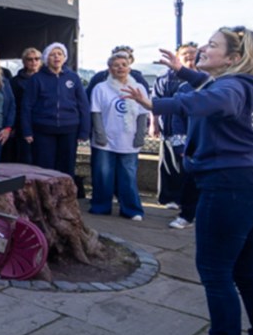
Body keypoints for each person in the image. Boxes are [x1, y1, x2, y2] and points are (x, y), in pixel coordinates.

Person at [123, 26, 253, 335]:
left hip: (230, 186)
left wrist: (156, 105)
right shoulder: (251, 85)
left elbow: (215, 99)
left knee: (215, 272)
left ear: (233, 58)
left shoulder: (231, 88)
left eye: (212, 45)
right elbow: (211, 88)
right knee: (248, 272)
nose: (204, 49)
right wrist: (183, 72)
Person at [89, 51, 149, 221]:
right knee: (103, 175)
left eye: (124, 65)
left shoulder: (138, 87)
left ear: (129, 67)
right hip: (105, 140)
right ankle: (101, 206)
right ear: (109, 69)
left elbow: (143, 113)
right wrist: (100, 134)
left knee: (128, 176)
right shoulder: (101, 88)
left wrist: (140, 135)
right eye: (116, 65)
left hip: (129, 140)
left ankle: (131, 209)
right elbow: (96, 112)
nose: (120, 68)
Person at [21, 42, 90, 179]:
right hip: (43, 130)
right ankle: (45, 193)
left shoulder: (73, 77)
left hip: (69, 129)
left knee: (67, 167)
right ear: (47, 58)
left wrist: (84, 130)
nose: (56, 57)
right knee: (44, 167)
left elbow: (83, 105)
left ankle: (65, 193)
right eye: (52, 54)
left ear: (64, 57)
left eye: (59, 54)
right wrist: (27, 130)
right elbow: (27, 106)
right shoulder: (37, 78)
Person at [151, 42, 198, 214]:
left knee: (190, 167)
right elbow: (155, 101)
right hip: (170, 126)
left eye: (193, 53)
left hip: (194, 128)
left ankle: (188, 200)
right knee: (170, 163)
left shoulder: (205, 77)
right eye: (186, 53)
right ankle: (169, 198)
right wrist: (154, 123)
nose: (190, 56)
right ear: (178, 57)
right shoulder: (166, 77)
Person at [4, 47, 42, 164]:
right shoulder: (14, 82)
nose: (34, 62)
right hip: (22, 124)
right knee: (25, 158)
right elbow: (11, 105)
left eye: (37, 59)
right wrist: (12, 126)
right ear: (24, 61)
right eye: (30, 59)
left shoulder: (47, 79)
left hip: (43, 123)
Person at [85, 45, 149, 99]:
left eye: (127, 57)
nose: (122, 59)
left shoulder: (138, 78)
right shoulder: (99, 77)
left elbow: (145, 99)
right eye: (119, 56)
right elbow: (88, 97)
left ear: (131, 60)